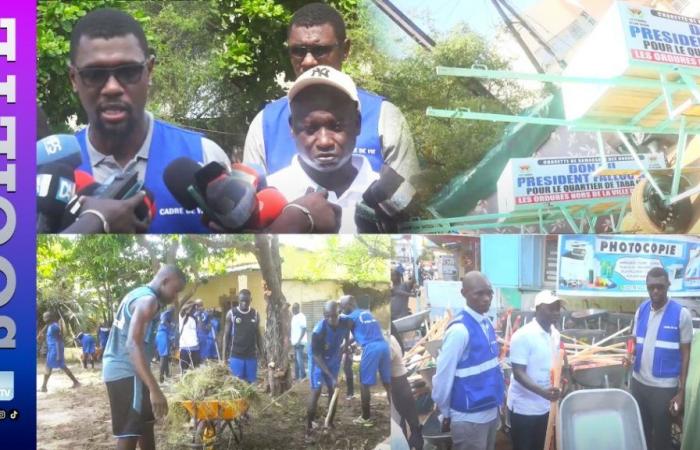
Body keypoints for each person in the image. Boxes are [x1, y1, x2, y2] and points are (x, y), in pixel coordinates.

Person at [68, 8, 231, 233]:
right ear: (74, 78)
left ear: (150, 71)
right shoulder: (49, 176)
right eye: (94, 74)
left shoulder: (204, 156)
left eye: (128, 71)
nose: (112, 88)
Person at [243, 2, 418, 184]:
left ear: (345, 50)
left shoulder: (384, 117)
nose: (308, 61)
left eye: (320, 50)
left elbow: (408, 203)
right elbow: (251, 206)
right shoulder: (265, 124)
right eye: (298, 51)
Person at [267, 65, 377, 233]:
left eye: (337, 126)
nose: (324, 141)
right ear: (292, 128)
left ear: (357, 123)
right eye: (310, 128)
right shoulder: (270, 192)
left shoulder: (385, 196)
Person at [102, 265, 186, 450]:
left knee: (146, 424)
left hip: (134, 372)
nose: (175, 297)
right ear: (165, 281)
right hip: (126, 372)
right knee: (129, 432)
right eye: (175, 291)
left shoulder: (138, 293)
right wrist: (154, 389)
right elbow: (132, 344)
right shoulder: (148, 300)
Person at [432, 271, 503, 450]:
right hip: (469, 417)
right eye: (479, 293)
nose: (486, 298)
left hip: (489, 412)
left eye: (489, 293)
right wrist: (445, 412)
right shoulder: (459, 331)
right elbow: (443, 377)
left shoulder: (486, 324)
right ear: (464, 294)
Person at [624, 267, 692, 450]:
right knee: (640, 430)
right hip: (639, 384)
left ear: (668, 286)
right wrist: (629, 354)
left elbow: (687, 354)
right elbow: (635, 340)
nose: (655, 291)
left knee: (661, 438)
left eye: (660, 287)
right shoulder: (642, 310)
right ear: (646, 287)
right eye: (651, 287)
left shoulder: (681, 314)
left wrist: (681, 391)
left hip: (663, 389)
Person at [507, 290, 563, 450]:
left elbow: (554, 365)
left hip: (545, 407)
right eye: (551, 308)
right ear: (538, 309)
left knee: (541, 445)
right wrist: (542, 392)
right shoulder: (523, 335)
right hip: (524, 409)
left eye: (558, 308)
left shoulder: (555, 335)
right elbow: (518, 373)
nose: (556, 312)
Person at [339, 295, 392, 426]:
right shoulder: (367, 314)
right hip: (384, 346)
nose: (341, 309)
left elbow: (346, 332)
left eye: (342, 306)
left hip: (371, 348)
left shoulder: (350, 317)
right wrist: (348, 344)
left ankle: (366, 417)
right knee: (388, 383)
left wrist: (343, 347)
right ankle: (396, 413)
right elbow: (361, 333)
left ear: (350, 305)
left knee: (364, 383)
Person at [306, 301, 352, 442]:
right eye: (328, 316)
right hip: (318, 361)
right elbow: (317, 356)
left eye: (335, 315)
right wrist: (331, 376)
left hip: (333, 359)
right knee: (317, 390)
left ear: (339, 313)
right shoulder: (318, 331)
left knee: (334, 390)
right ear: (324, 315)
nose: (332, 319)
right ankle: (308, 427)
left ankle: (330, 422)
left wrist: (345, 346)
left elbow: (347, 333)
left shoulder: (346, 322)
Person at [390, 323, 423, 450]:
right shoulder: (391, 338)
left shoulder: (388, 341)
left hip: (398, 387)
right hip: (401, 386)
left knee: (402, 425)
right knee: (409, 424)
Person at [224, 290, 262, 383]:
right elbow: (226, 336)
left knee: (251, 385)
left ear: (251, 300)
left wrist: (262, 353)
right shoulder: (231, 314)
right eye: (242, 301)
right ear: (238, 300)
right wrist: (223, 357)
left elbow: (258, 335)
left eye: (247, 301)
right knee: (238, 384)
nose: (244, 303)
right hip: (236, 356)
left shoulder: (255, 314)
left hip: (251, 356)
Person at [40, 311, 80, 392]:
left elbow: (58, 340)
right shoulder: (50, 326)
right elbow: (51, 338)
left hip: (55, 350)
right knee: (55, 366)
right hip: (52, 350)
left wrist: (58, 354)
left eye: (45, 317)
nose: (44, 318)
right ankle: (44, 387)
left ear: (48, 318)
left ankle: (76, 382)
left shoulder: (54, 327)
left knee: (57, 366)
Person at [178, 299, 202, 372]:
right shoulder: (182, 317)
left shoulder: (195, 318)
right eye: (192, 308)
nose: (193, 310)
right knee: (184, 371)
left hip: (195, 348)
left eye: (194, 308)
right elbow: (183, 309)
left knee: (196, 370)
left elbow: (199, 329)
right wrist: (193, 303)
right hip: (185, 348)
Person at [155, 306, 174, 383]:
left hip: (164, 335)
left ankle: (167, 373)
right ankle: (161, 376)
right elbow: (163, 321)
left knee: (165, 356)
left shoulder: (169, 314)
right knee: (163, 356)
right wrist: (171, 325)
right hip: (163, 335)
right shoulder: (167, 313)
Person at [290, 302, 308, 380]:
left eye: (294, 308)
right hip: (294, 342)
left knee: (299, 358)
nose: (293, 310)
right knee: (296, 359)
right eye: (292, 308)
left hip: (300, 342)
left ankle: (303, 375)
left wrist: (299, 340)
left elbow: (304, 329)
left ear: (298, 308)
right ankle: (297, 376)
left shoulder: (301, 316)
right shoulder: (294, 317)